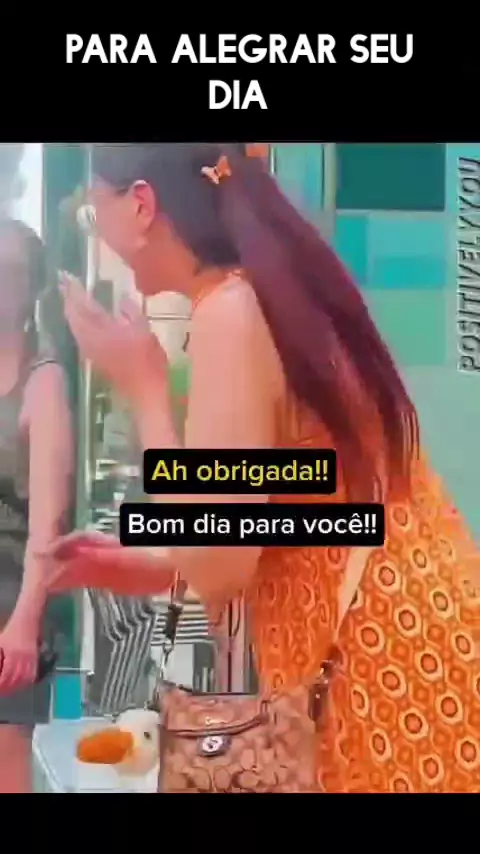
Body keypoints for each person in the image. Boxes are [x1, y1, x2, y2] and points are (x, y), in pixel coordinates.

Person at [48, 143, 480, 793]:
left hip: (380, 675)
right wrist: (157, 565)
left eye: (92, 214)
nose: (97, 234)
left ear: (140, 205)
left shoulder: (229, 311)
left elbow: (218, 561)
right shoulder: (259, 296)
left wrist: (144, 390)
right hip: (415, 642)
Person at [0, 218, 73, 792]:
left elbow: (50, 521)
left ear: (32, 288)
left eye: (11, 273)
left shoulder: (43, 382)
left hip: (11, 605)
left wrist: (24, 623)